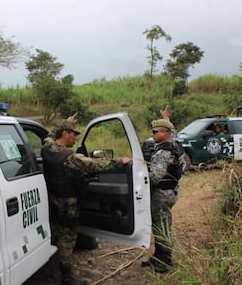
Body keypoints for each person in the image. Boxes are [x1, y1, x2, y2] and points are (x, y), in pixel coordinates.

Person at [41, 118, 131, 285]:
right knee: (67, 237)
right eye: (73, 134)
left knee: (61, 230)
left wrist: (64, 121)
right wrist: (121, 161)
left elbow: (50, 135)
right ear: (66, 134)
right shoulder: (68, 157)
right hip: (68, 203)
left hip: (54, 197)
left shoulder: (47, 147)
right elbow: (94, 166)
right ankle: (66, 277)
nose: (75, 138)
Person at [141, 118, 184, 273]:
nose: (151, 134)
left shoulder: (164, 152)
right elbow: (176, 135)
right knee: (160, 224)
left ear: (165, 133)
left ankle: (165, 261)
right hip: (169, 191)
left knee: (162, 226)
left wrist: (141, 172)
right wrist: (167, 119)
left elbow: (154, 177)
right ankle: (158, 256)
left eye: (154, 131)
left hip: (162, 194)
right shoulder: (175, 145)